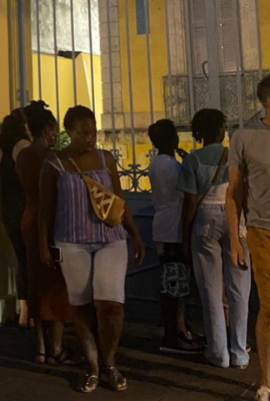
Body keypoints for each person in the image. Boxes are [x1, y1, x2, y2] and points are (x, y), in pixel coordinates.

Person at [39, 106, 145, 393]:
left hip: (110, 238)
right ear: (69, 132)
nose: (90, 136)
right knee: (82, 305)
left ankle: (109, 362)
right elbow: (45, 210)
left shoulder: (106, 159)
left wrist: (134, 233)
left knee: (111, 304)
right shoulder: (55, 164)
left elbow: (119, 202)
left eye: (93, 130)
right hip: (71, 242)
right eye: (83, 132)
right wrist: (43, 246)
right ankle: (93, 366)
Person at [177, 109, 251, 369]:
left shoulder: (192, 161)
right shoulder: (235, 156)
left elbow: (190, 203)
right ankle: (240, 352)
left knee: (210, 290)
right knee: (239, 289)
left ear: (198, 133)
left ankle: (218, 352)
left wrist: (185, 237)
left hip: (205, 220)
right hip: (235, 220)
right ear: (222, 130)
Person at [16, 101, 75, 364]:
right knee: (57, 287)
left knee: (36, 284)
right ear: (49, 128)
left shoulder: (23, 156)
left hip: (28, 219)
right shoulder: (53, 158)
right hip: (51, 222)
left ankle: (40, 347)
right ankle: (58, 348)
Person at [228, 75, 270, 400]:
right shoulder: (244, 137)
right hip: (262, 230)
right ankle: (267, 381)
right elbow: (234, 192)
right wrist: (234, 239)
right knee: (268, 307)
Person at [148, 119, 202, 355]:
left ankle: (180, 329)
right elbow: (185, 194)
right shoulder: (170, 166)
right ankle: (174, 334)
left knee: (173, 283)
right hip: (173, 230)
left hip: (163, 226)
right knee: (175, 285)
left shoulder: (158, 163)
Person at [0, 108, 32, 328]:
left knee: (22, 261)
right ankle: (30, 313)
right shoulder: (23, 147)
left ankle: (23, 313)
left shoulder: (3, 151)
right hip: (24, 210)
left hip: (9, 210)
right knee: (30, 261)